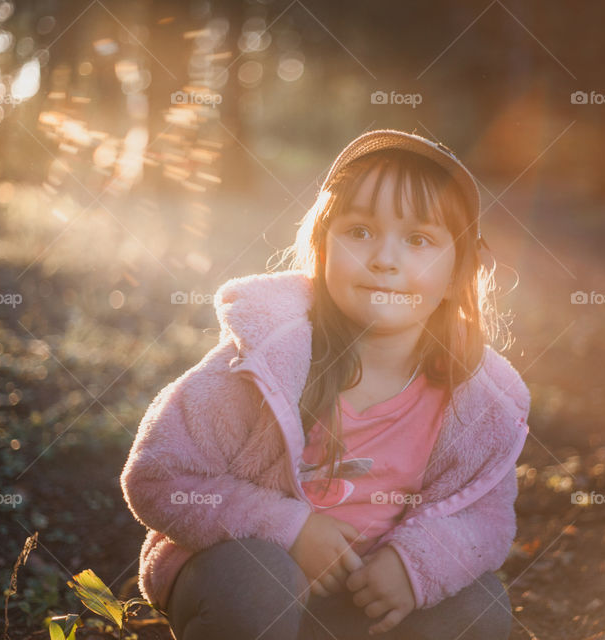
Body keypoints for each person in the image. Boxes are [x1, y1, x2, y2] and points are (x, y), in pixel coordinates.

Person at [120, 129, 531, 640]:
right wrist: (289, 530)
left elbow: (484, 521)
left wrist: (413, 565)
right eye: (359, 231)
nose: (384, 257)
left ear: (454, 274)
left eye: (418, 239)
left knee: (481, 607)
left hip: (368, 605)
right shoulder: (261, 363)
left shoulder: (478, 403)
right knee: (256, 581)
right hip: (249, 596)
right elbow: (159, 478)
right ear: (322, 247)